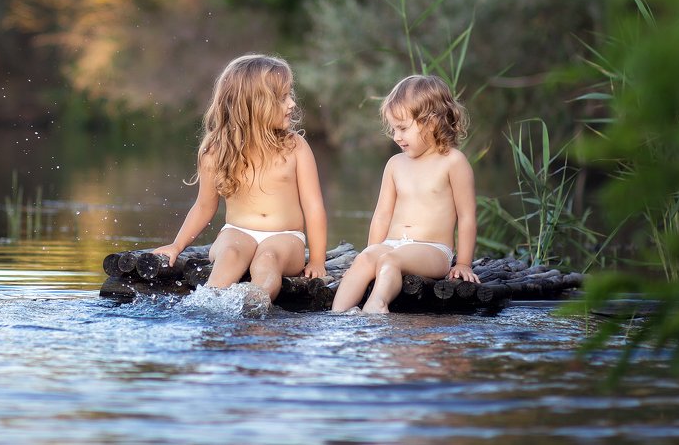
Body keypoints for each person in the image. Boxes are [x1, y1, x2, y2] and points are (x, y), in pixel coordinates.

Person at [154, 54, 328, 303]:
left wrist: (318, 260)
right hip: (236, 232)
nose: (291, 104)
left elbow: (314, 207)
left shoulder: (295, 147)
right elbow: (204, 206)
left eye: (290, 95)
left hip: (286, 238)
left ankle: (254, 303)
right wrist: (176, 245)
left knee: (268, 259)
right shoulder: (216, 151)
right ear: (254, 105)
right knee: (230, 255)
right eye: (282, 98)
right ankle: (208, 305)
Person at [331, 74, 478, 314]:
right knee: (365, 259)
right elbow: (382, 215)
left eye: (402, 128)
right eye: (393, 129)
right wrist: (370, 254)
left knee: (391, 260)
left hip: (432, 251)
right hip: (391, 245)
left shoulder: (453, 162)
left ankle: (376, 306)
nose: (396, 136)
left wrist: (463, 263)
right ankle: (336, 317)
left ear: (430, 122)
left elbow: (467, 217)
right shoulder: (395, 164)